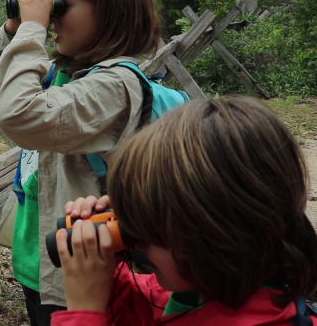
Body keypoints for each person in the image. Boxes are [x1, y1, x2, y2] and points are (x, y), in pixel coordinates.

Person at [0, 0, 162, 325]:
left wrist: (32, 30)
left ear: (108, 11)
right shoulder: (63, 75)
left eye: (61, 7)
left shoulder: (116, 87)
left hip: (88, 277)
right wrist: (12, 31)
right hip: (39, 263)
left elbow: (17, 113)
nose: (52, 19)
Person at [54, 97, 317, 325]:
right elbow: (146, 307)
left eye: (149, 232)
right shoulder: (206, 289)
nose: (139, 246)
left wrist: (84, 312)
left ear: (215, 235)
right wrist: (104, 267)